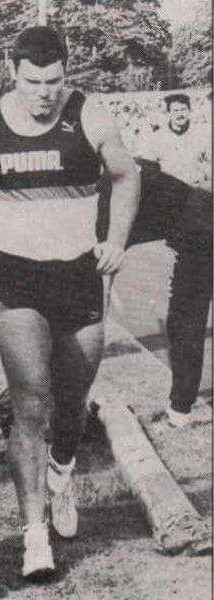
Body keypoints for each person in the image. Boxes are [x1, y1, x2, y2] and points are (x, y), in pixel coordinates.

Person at [0, 27, 139, 580]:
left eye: (55, 81)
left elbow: (127, 175)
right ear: (13, 71)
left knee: (72, 403)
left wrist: (117, 239)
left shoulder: (90, 114)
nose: (45, 93)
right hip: (18, 278)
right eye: (33, 82)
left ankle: (63, 468)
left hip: (77, 277)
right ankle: (34, 536)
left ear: (66, 74)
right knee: (31, 402)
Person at [133, 93, 212, 428]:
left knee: (185, 317)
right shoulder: (155, 143)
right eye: (175, 110)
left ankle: (181, 407)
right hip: (191, 215)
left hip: (198, 220)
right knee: (185, 317)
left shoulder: (203, 134)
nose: (181, 115)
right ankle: (181, 406)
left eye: (185, 109)